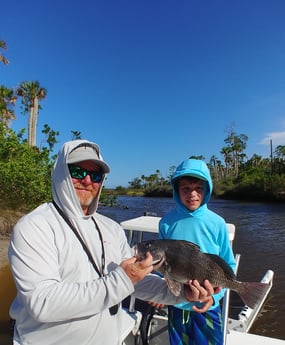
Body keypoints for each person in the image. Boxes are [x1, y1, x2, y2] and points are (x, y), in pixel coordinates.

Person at [8, 140, 219, 345]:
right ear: (61, 173)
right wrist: (122, 280)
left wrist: (183, 293)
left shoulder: (111, 228)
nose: (88, 181)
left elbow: (135, 281)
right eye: (78, 172)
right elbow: (42, 303)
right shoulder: (35, 227)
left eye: (96, 175)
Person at [159, 158, 236, 345]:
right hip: (177, 304)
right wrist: (163, 293)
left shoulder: (217, 223)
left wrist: (214, 296)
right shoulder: (166, 223)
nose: (192, 194)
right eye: (185, 188)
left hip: (207, 306)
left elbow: (229, 264)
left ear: (207, 190)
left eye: (198, 188)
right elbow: (164, 265)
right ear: (177, 191)